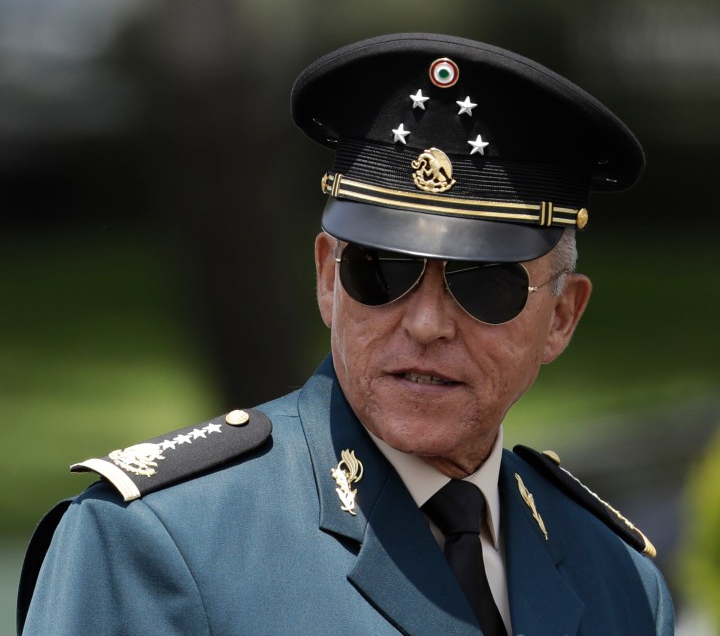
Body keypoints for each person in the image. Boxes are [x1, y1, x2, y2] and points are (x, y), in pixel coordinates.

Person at [18, 33, 674, 635]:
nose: (425, 323)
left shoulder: (618, 578)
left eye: (484, 284)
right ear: (329, 278)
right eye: (380, 270)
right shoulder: (154, 544)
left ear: (562, 316)